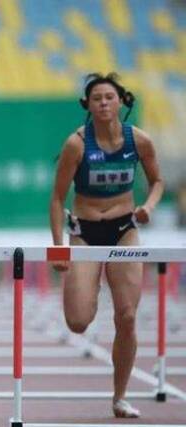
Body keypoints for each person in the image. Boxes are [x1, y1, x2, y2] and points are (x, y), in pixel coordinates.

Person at [50, 72, 164, 418]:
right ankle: (88, 287)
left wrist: (148, 207)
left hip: (125, 228)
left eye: (109, 97)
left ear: (120, 102)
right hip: (85, 230)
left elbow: (157, 180)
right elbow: (57, 199)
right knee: (78, 321)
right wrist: (58, 247)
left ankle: (120, 396)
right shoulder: (77, 144)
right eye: (97, 98)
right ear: (89, 105)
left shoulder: (139, 141)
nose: (103, 103)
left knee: (127, 316)